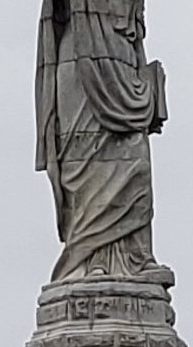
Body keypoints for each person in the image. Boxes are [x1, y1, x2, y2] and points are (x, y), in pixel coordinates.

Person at [35, 0, 169, 283]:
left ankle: (136, 256)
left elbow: (136, 30)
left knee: (137, 164)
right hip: (81, 57)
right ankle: (89, 259)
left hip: (122, 60)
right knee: (85, 161)